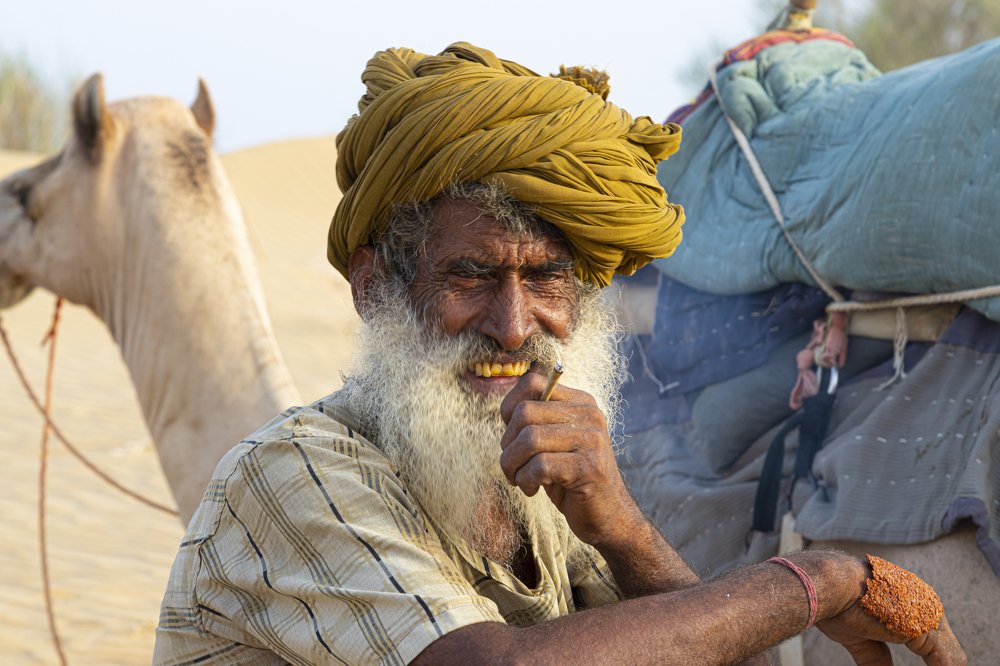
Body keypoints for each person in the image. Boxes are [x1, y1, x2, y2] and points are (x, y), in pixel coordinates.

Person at [153, 43, 965, 665]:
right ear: (375, 288)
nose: (513, 327)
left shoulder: (537, 489)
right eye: (469, 276)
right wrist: (817, 583)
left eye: (545, 278)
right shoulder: (289, 477)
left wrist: (622, 527)